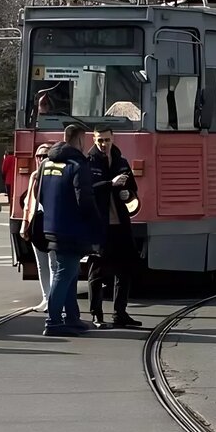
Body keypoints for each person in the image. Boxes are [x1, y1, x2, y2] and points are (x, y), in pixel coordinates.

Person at [38, 124, 101, 337]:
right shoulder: (77, 164)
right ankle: (54, 321)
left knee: (69, 273)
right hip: (71, 229)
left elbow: (41, 195)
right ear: (81, 139)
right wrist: (94, 224)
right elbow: (84, 199)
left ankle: (72, 317)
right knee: (64, 273)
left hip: (51, 225)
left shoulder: (46, 163)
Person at [86, 128, 141, 328]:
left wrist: (128, 194)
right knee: (97, 273)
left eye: (107, 140)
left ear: (113, 139)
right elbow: (87, 190)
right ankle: (96, 314)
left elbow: (132, 189)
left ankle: (120, 313)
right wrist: (111, 183)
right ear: (93, 139)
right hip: (100, 226)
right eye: (100, 140)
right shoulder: (89, 162)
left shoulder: (121, 161)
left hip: (121, 225)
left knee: (124, 270)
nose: (104, 144)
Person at [19, 143, 54, 312]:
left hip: (52, 224)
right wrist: (24, 225)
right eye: (39, 156)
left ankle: (55, 299)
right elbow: (28, 204)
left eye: (46, 156)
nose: (42, 159)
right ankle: (46, 298)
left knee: (54, 264)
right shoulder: (34, 176)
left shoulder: (56, 174)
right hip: (36, 223)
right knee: (41, 264)